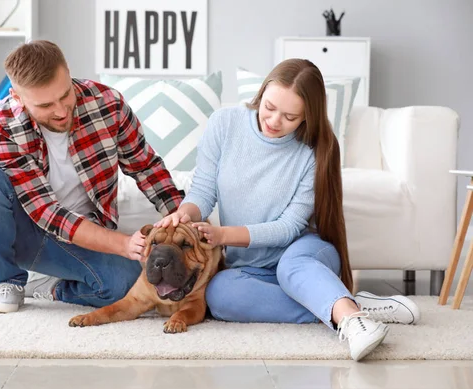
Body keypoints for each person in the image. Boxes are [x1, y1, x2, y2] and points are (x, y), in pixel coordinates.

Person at [155, 59, 421, 361]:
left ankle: (353, 322)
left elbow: (289, 227)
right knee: (219, 296)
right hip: (251, 266)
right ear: (262, 92)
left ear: (308, 117)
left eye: (290, 116)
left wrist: (223, 235)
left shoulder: (314, 150)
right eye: (268, 107)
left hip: (304, 254)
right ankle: (343, 303)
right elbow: (202, 191)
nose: (273, 121)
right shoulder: (224, 124)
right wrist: (184, 214)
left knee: (291, 268)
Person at [0, 40, 184, 314]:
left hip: (84, 233)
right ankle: (7, 280)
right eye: (45, 105)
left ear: (68, 71)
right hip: (26, 231)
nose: (62, 111)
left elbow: (146, 167)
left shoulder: (108, 104)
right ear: (18, 97)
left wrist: (184, 219)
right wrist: (124, 244)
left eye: (65, 95)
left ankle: (50, 288)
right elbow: (48, 213)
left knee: (125, 284)